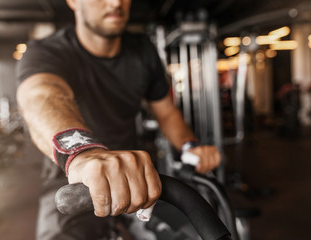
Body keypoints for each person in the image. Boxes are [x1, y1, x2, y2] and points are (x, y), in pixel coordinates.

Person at [16, 0, 221, 239]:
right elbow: (42, 96)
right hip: (71, 179)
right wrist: (83, 153)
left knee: (193, 231)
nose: (115, 2)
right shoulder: (47, 51)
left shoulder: (143, 50)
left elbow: (166, 112)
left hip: (133, 173)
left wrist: (189, 145)